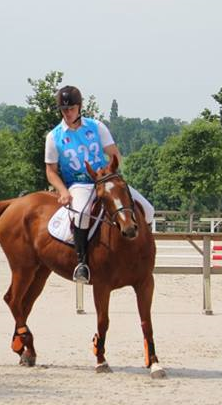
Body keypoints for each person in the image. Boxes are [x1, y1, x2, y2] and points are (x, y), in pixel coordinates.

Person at [44, 86, 154, 283]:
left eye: (71, 109)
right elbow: (51, 171)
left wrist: (110, 171)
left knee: (148, 209)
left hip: (107, 180)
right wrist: (62, 191)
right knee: (83, 215)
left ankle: (142, 255)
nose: (68, 113)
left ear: (80, 107)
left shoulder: (97, 127)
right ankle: (82, 264)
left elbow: (114, 153)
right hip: (80, 184)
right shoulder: (54, 136)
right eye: (64, 109)